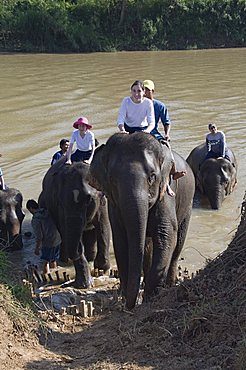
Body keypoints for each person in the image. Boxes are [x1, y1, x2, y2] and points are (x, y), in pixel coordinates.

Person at [144, 79, 186, 196]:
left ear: (153, 91)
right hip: (139, 133)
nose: (145, 93)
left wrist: (167, 134)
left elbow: (166, 122)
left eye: (147, 90)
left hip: (153, 133)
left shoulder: (159, 106)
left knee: (166, 150)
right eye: (144, 90)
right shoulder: (139, 104)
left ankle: (172, 173)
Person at [26, 199, 61, 275]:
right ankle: (55, 274)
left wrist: (37, 248)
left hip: (48, 242)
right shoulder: (47, 212)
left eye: (29, 210)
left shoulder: (36, 219)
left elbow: (39, 236)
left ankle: (48, 278)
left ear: (31, 208)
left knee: (45, 262)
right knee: (53, 260)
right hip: (57, 239)